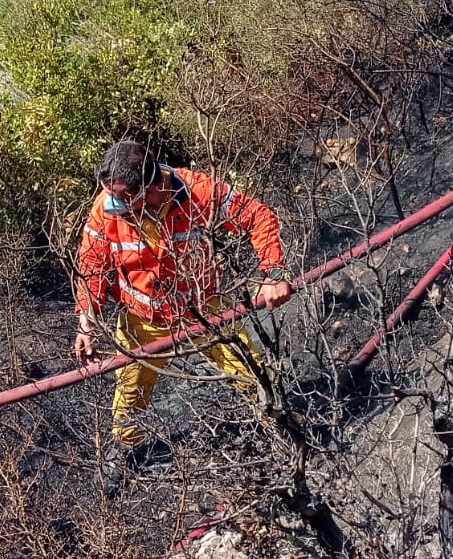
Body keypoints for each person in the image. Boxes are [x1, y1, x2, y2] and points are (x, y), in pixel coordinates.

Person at [73, 140, 293, 455]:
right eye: (110, 194)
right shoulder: (104, 209)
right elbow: (92, 265)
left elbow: (258, 217)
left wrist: (273, 275)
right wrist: (86, 321)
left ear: (150, 189)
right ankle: (125, 450)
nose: (111, 203)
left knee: (255, 376)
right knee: (129, 397)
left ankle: (285, 432)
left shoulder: (198, 192)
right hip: (143, 322)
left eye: (121, 197)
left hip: (205, 313)